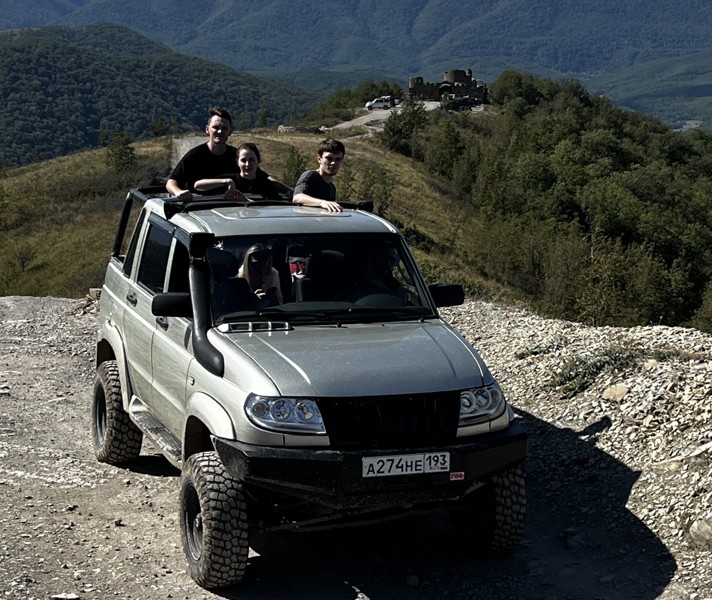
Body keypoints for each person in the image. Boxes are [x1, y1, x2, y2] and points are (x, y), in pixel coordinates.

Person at [166, 107, 239, 201]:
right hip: (198, 208)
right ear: (207, 129)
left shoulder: (238, 156)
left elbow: (258, 177)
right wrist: (178, 192)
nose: (220, 131)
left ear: (230, 131)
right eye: (216, 127)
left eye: (224, 128)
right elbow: (171, 183)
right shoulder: (195, 155)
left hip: (232, 210)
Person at [194, 143, 290, 200]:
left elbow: (272, 207)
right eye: (243, 160)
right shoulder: (230, 180)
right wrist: (227, 182)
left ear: (258, 161)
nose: (247, 164)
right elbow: (198, 186)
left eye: (251, 160)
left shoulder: (265, 184)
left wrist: (244, 201)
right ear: (237, 162)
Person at [292, 138, 345, 213]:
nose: (333, 163)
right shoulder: (311, 176)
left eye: (338, 159)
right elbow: (297, 197)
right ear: (319, 159)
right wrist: (322, 202)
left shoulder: (331, 187)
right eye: (329, 158)